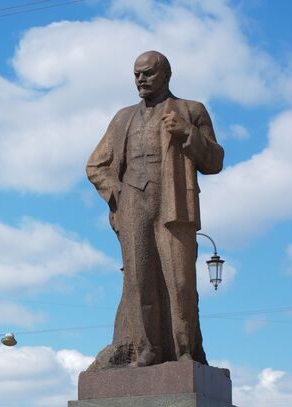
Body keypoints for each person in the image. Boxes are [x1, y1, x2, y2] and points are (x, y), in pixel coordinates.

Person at [85, 50, 224, 368]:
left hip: (174, 202)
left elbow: (215, 161)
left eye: (147, 73)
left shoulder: (191, 110)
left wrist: (187, 132)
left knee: (180, 280)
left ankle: (184, 350)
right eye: (136, 74)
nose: (140, 79)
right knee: (139, 279)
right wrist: (117, 191)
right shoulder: (123, 118)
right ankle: (148, 349)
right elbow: (95, 165)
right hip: (133, 202)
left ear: (166, 75)